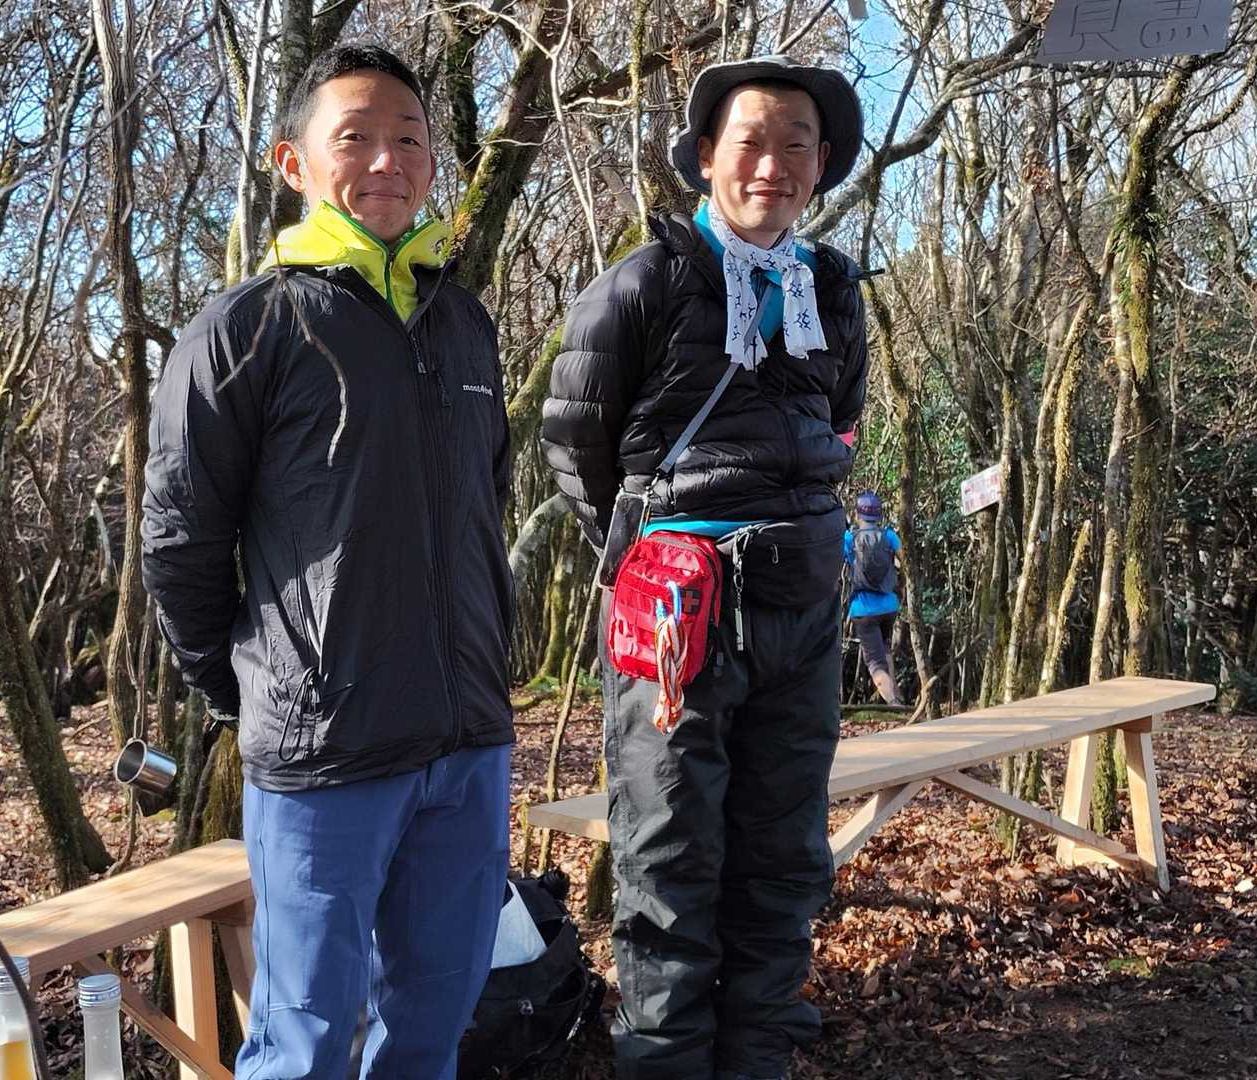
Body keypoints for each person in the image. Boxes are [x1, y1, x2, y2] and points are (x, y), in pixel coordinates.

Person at [140, 44, 514, 1080]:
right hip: (323, 756)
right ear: (293, 162)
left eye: (409, 139)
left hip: (468, 744)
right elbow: (179, 540)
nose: (387, 160)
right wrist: (249, 689)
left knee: (431, 1034)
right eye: (355, 137)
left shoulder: (464, 325)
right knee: (301, 1048)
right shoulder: (247, 329)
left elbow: (485, 507)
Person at [540, 56, 869, 1080]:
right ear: (705, 156)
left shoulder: (832, 289)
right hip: (674, 617)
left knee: (785, 862)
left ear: (822, 163)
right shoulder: (643, 283)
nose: (773, 165)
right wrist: (655, 549)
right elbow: (575, 443)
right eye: (751, 143)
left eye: (796, 145)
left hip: (801, 609)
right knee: (668, 862)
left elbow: (841, 421)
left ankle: (757, 1062)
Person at [843, 491, 904, 706]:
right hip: (889, 606)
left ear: (857, 514)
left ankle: (893, 704)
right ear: (879, 515)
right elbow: (904, 562)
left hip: (863, 609)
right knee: (885, 649)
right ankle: (896, 697)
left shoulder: (850, 538)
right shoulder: (889, 536)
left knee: (875, 663)